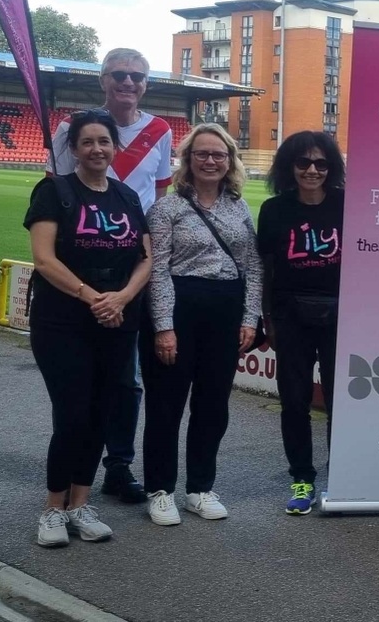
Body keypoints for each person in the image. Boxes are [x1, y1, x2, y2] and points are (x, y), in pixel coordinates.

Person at [47, 48, 173, 504]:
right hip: (79, 268)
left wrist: (151, 262)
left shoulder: (159, 131)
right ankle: (68, 472)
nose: (128, 82)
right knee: (81, 381)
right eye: (119, 75)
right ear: (102, 79)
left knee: (126, 378)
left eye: (136, 76)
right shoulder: (70, 129)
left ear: (146, 84)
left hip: (131, 268)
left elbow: (158, 202)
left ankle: (117, 465)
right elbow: (56, 192)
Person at [25, 109, 153, 546]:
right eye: (87, 142)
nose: (97, 149)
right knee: (73, 413)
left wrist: (120, 298)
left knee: (102, 411)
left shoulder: (127, 198)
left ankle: (80, 503)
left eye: (104, 141)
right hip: (63, 322)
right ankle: (53, 508)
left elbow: (145, 258)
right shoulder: (54, 192)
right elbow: (44, 259)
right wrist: (92, 297)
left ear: (114, 147)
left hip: (117, 320)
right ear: (74, 149)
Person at [140, 124, 262, 526]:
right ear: (188, 160)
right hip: (179, 306)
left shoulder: (239, 207)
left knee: (212, 406)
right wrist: (163, 326)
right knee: (166, 404)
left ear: (230, 161)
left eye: (219, 155)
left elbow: (253, 266)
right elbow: (157, 270)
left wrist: (249, 318)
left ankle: (199, 487)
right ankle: (160, 489)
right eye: (202, 154)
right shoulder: (167, 209)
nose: (211, 161)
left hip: (225, 310)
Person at [258, 131, 345, 516]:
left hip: (341, 317)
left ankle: (342, 475)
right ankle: (302, 478)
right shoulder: (275, 210)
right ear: (289, 167)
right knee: (294, 403)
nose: (312, 170)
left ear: (332, 167)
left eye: (321, 163)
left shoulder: (348, 205)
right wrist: (269, 320)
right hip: (291, 317)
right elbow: (266, 270)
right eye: (303, 163)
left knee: (341, 402)